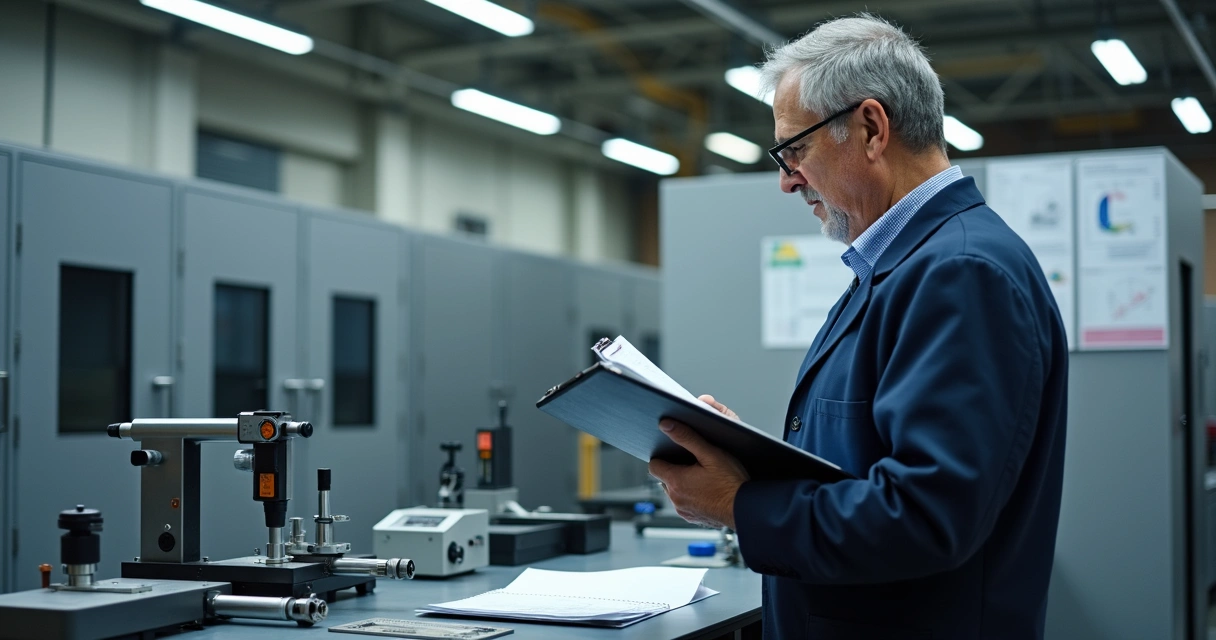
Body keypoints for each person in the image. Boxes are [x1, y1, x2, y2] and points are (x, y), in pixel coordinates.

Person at [647, 14, 1068, 640]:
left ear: (871, 128)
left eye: (795, 150)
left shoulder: (961, 272)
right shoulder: (900, 267)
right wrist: (748, 465)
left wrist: (741, 505)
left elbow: (926, 516)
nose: (787, 179)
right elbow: (870, 468)